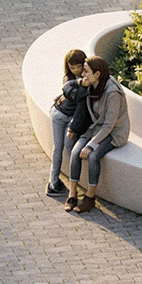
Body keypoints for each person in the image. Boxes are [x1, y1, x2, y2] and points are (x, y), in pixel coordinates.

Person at [64, 56, 130, 214]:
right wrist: (81, 83)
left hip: (114, 132)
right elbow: (67, 88)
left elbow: (109, 125)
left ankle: (90, 197)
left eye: (86, 71)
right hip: (96, 128)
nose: (82, 74)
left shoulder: (112, 93)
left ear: (97, 74)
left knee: (93, 157)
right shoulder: (90, 85)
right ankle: (72, 194)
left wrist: (90, 145)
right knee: (75, 152)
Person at [46, 48, 90, 196]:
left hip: (69, 117)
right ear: (68, 67)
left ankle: (74, 186)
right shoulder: (69, 79)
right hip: (59, 114)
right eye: (72, 67)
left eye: (79, 66)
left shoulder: (81, 80)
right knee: (58, 148)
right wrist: (81, 84)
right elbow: (76, 96)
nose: (76, 70)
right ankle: (53, 183)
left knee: (69, 147)